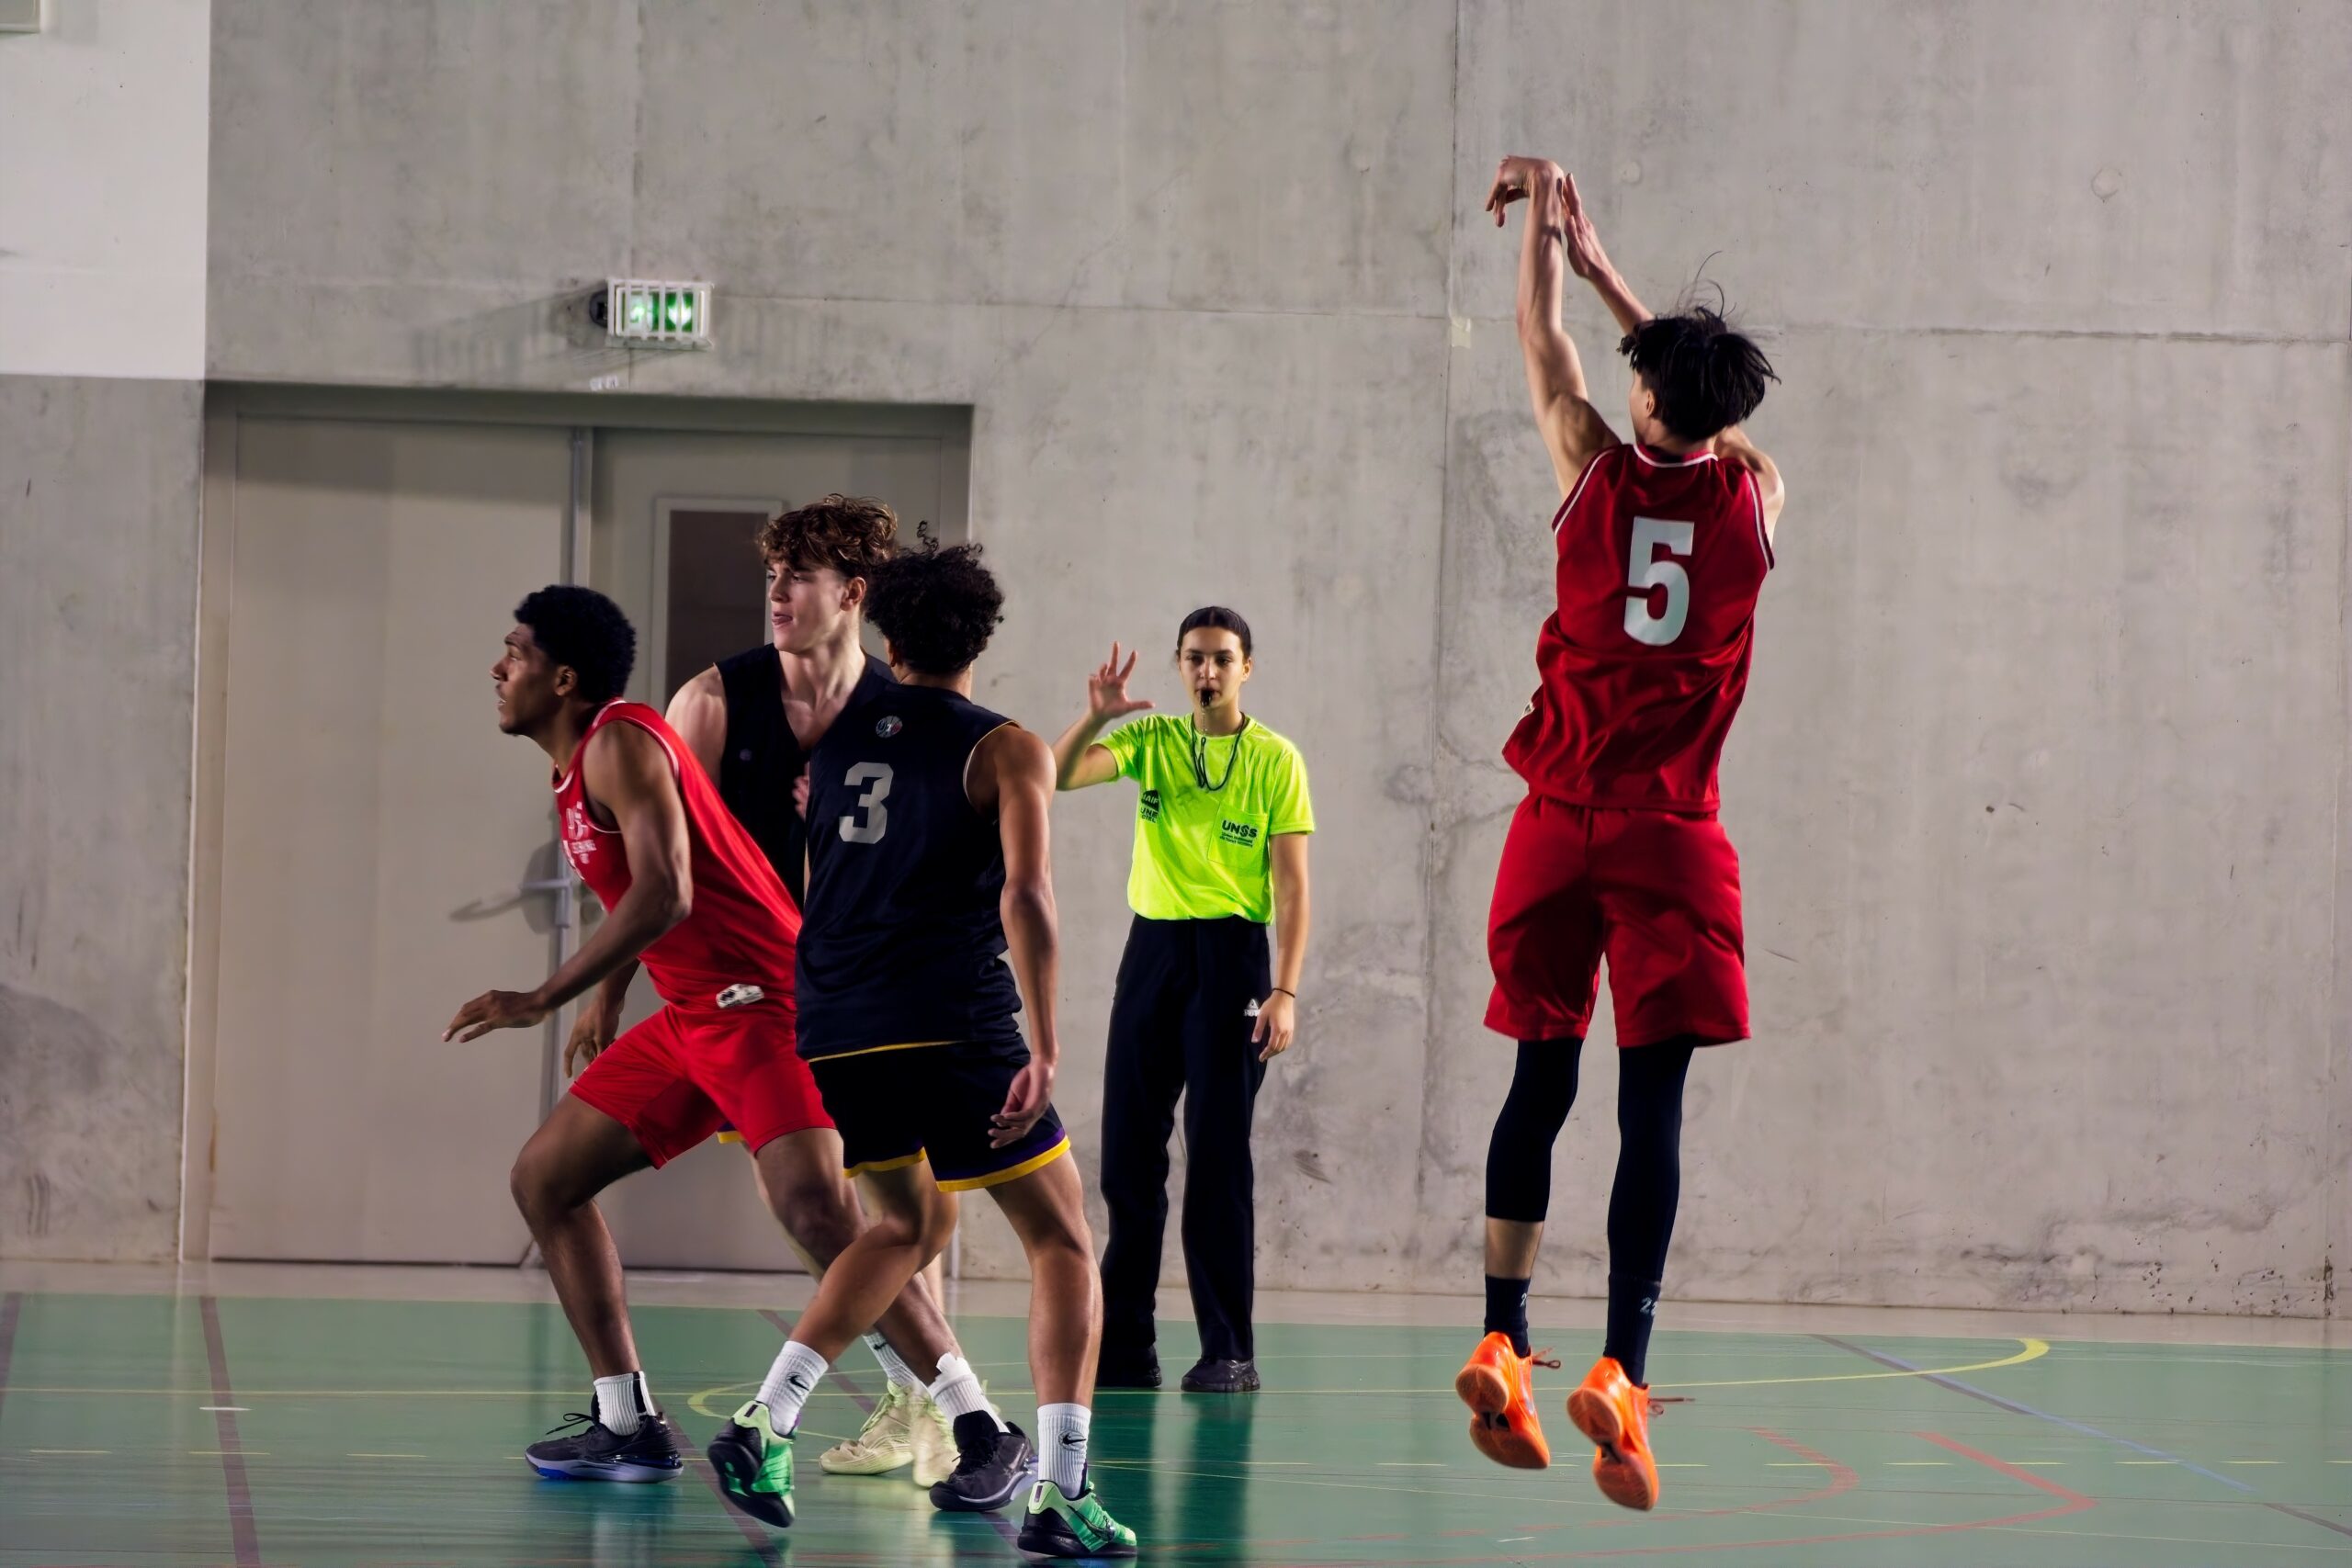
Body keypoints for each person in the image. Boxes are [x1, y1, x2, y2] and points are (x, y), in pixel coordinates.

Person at [446, 585, 968, 1495]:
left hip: (766, 999)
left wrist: (544, 996)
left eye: (515, 652)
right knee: (545, 1179)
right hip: (696, 1013)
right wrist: (608, 997)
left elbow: (666, 891)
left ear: (563, 678)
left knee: (819, 1214)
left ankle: (973, 1421)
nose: (499, 667)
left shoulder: (621, 742)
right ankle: (626, 1424)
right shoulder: (577, 766)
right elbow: (644, 897)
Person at [1455, 156, 1784, 1512]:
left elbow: (1538, 334)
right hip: (1671, 835)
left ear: (1643, 398)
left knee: (1538, 1082)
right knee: (1652, 1108)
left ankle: (1501, 1333)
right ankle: (1623, 1374)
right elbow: (1701, 405)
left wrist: (1560, 233)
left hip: (1554, 825)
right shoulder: (1755, 492)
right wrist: (1624, 288)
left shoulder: (1588, 461)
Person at [703, 541, 1136, 1559]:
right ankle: (1064, 1493)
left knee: (905, 1224)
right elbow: (1026, 895)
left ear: (889, 638)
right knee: (1062, 1240)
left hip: (837, 1023)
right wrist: (1047, 1042)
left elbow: (821, 875)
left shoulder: (836, 744)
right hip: (951, 1018)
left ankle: (765, 1420)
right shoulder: (1005, 748)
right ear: (982, 637)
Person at [662, 494, 957, 1485]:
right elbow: (665, 869)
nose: (778, 594)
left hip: (877, 985)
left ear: (853, 593)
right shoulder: (713, 701)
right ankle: (924, 1393)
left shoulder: (902, 710)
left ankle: (934, 1404)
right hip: (759, 990)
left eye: (800, 577)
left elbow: (948, 851)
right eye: (771, 576)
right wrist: (611, 992)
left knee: (892, 1200)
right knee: (810, 1207)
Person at [1049, 608, 1315, 1394]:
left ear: (1246, 668)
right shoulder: (1152, 741)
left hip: (1233, 960)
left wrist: (1285, 989)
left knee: (1218, 1155)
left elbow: (1293, 887)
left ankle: (1228, 1349)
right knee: (1130, 1153)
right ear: (1179, 665)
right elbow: (1058, 775)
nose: (1208, 671)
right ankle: (1127, 1345)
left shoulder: (1275, 758)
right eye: (1195, 658)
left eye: (1223, 659)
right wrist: (1096, 716)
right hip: (1153, 952)